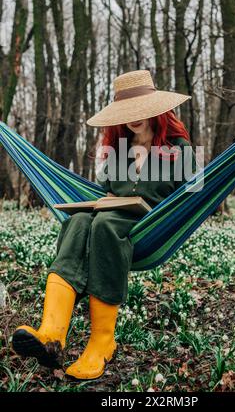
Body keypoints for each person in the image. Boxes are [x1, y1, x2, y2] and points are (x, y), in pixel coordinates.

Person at [11, 69, 199, 380]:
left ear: (156, 110)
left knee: (104, 226)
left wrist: (177, 215)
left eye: (139, 111)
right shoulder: (116, 149)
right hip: (113, 217)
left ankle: (102, 342)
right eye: (126, 113)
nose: (133, 118)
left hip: (151, 226)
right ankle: (51, 332)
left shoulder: (178, 147)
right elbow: (108, 193)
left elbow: (197, 197)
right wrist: (101, 203)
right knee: (78, 221)